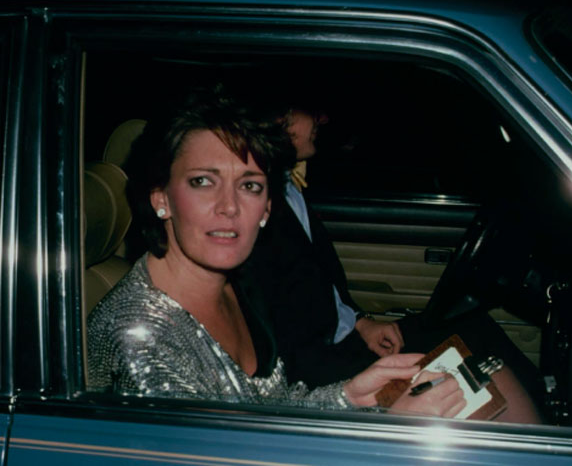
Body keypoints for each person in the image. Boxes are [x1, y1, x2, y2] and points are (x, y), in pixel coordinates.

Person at [86, 85, 467, 418]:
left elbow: (265, 407)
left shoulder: (239, 287)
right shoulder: (138, 337)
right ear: (161, 199)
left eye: (250, 186)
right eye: (202, 181)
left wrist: (350, 397)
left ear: (268, 208)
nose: (229, 206)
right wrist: (391, 430)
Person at [243, 106, 543, 423]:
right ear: (275, 116)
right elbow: (283, 327)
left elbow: (319, 280)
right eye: (310, 110)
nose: (323, 118)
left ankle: (549, 419)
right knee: (475, 362)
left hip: (344, 340)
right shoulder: (257, 210)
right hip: (317, 364)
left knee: (472, 327)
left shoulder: (289, 188)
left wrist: (361, 322)